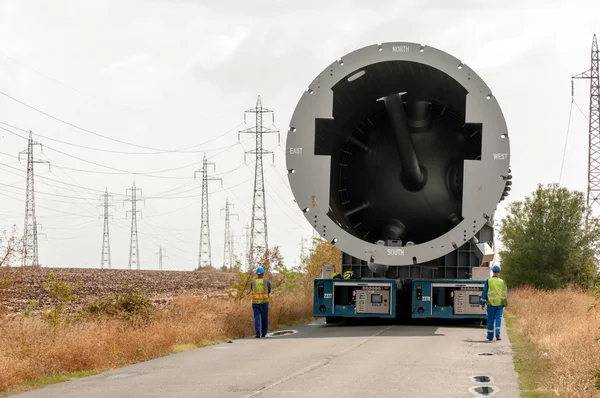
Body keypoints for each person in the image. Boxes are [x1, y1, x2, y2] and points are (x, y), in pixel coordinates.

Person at [480, 264, 508, 342]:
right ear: (499, 272)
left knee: (490, 320)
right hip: (499, 304)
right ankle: (498, 334)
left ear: (492, 272)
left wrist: (482, 303)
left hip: (490, 304)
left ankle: (490, 336)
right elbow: (505, 293)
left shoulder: (488, 281)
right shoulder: (502, 282)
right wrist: (504, 304)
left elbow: (485, 293)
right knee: (498, 319)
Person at [250, 267, 271, 338]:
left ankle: (258, 332)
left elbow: (251, 290)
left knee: (257, 317)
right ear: (263, 274)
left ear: (257, 274)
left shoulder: (252, 283)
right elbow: (269, 291)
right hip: (264, 302)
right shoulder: (267, 282)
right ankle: (264, 333)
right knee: (264, 318)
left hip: (255, 303)